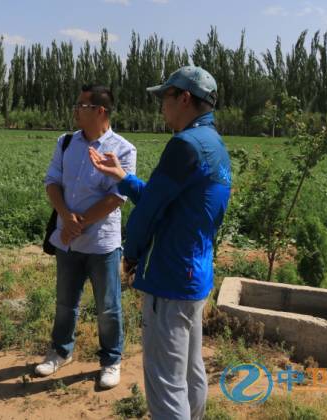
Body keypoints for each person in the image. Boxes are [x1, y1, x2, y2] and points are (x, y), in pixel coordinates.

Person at [89, 66, 231, 419]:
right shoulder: (214, 143)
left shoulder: (184, 145)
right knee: (189, 371)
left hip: (168, 277)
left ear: (184, 98)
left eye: (164, 98)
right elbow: (169, 202)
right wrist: (124, 178)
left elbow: (149, 211)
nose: (161, 107)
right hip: (194, 273)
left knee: (165, 384)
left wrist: (131, 254)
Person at [36, 85, 136, 389]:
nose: (76, 110)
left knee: (108, 306)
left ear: (100, 111)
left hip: (102, 243)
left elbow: (117, 197)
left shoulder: (123, 149)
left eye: (82, 105)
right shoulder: (66, 143)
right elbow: (52, 181)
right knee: (66, 302)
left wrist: (78, 223)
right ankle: (61, 351)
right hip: (67, 240)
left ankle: (111, 360)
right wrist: (66, 216)